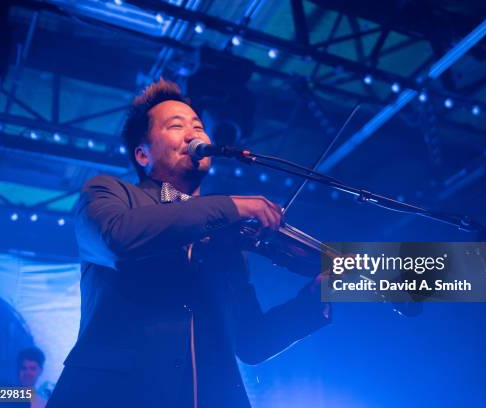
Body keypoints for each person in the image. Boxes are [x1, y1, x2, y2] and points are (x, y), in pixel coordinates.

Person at [47, 78, 331, 408]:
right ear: (142, 154)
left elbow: (251, 342)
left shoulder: (225, 241)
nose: (194, 133)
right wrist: (231, 206)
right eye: (176, 125)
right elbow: (117, 238)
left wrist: (310, 302)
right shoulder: (108, 193)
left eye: (198, 125)